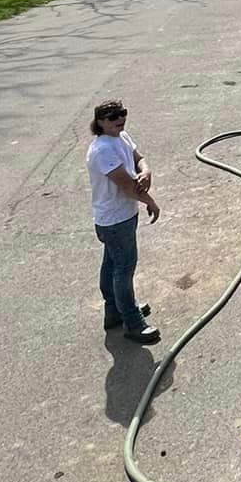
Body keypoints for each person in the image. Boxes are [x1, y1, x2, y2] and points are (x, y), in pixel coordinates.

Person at [87, 101, 161, 344]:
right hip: (114, 219)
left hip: (123, 215)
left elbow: (139, 158)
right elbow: (126, 185)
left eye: (122, 114)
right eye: (112, 117)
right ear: (100, 122)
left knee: (111, 264)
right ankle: (133, 321)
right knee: (123, 269)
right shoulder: (102, 150)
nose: (119, 119)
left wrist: (146, 171)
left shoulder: (122, 137)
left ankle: (114, 312)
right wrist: (150, 201)